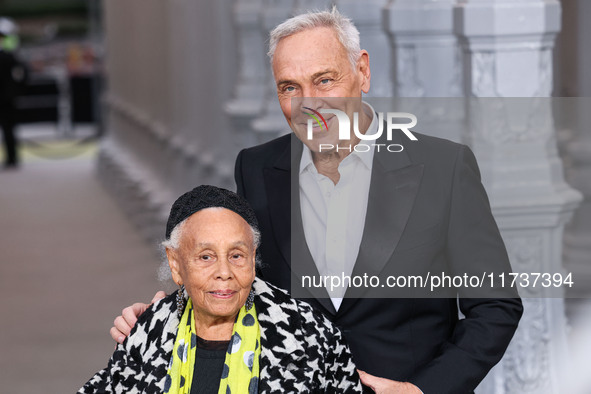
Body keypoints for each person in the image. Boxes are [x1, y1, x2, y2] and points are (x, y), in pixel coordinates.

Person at [112, 9, 523, 393]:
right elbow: (248, 287)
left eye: (324, 80)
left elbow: (495, 305)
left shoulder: (443, 166)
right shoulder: (256, 168)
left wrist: (424, 389)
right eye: (290, 87)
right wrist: (166, 317)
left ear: (362, 71)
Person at [80, 185, 362, 393]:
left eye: (237, 255)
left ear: (253, 258)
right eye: (206, 257)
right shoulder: (148, 332)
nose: (224, 273)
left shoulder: (308, 333)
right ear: (176, 264)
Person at [0, 18, 27, 169]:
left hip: (6, 98)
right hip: (8, 97)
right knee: (9, 128)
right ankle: (12, 158)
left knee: (9, 129)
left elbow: (21, 74)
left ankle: (12, 158)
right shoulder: (10, 56)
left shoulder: (9, 55)